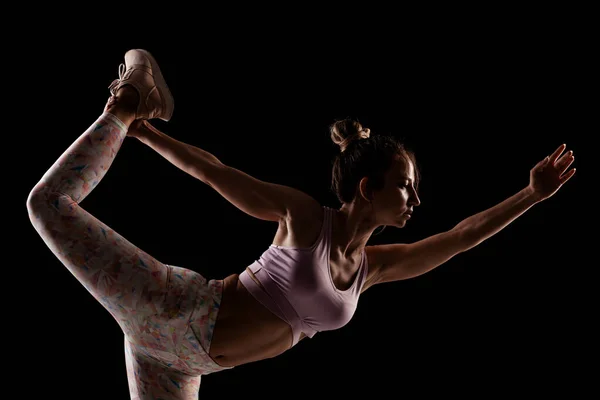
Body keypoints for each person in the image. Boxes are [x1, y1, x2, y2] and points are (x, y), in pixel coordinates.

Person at [26, 49, 576, 400]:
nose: (416, 198)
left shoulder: (372, 269)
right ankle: (127, 102)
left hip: (179, 366)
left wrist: (529, 196)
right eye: (406, 184)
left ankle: (130, 110)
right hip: (170, 308)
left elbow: (457, 240)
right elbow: (215, 172)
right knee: (46, 205)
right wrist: (144, 133)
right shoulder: (306, 220)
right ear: (368, 188)